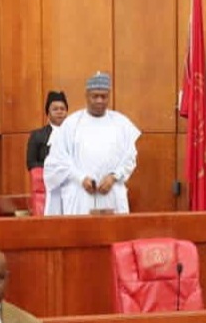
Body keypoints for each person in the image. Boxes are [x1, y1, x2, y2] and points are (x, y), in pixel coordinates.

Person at [43, 71, 140, 215]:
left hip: (111, 193)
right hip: (80, 195)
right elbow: (57, 160)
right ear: (86, 95)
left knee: (113, 235)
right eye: (95, 96)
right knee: (81, 236)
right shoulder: (71, 124)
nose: (100, 100)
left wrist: (114, 176)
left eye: (104, 96)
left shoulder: (121, 124)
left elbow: (130, 157)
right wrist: (80, 178)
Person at [26, 91, 69, 170]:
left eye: (62, 109)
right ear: (48, 113)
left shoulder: (75, 134)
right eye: (55, 109)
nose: (59, 112)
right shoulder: (37, 135)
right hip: (45, 178)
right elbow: (31, 163)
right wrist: (54, 167)